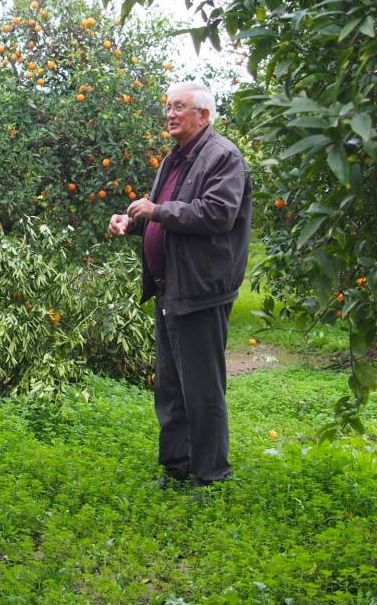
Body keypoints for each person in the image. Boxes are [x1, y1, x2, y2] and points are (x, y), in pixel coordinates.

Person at [108, 80, 252, 488]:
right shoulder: (175, 158)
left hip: (201, 289)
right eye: (168, 107)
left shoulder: (223, 157)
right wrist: (134, 222)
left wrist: (156, 211)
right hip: (170, 286)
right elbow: (166, 218)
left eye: (179, 107)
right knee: (170, 385)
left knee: (202, 389)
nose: (170, 114)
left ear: (203, 115)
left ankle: (212, 476)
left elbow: (215, 214)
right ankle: (177, 467)